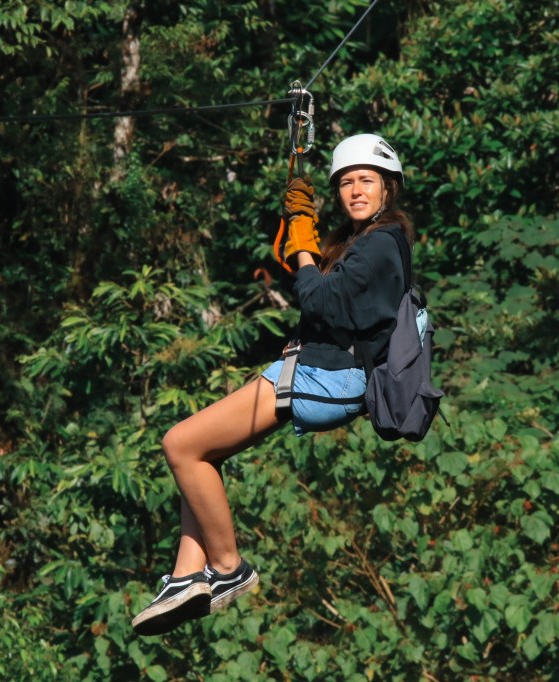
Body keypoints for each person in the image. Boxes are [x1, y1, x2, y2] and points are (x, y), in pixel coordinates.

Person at [131, 133, 416, 636]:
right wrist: (300, 233)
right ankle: (186, 576)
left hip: (325, 376)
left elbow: (320, 302)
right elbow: (318, 284)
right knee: (202, 455)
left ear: (388, 188)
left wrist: (305, 247)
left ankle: (227, 567)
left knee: (179, 444)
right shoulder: (367, 242)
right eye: (346, 183)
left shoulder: (382, 244)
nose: (355, 191)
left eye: (366, 181)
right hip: (321, 372)